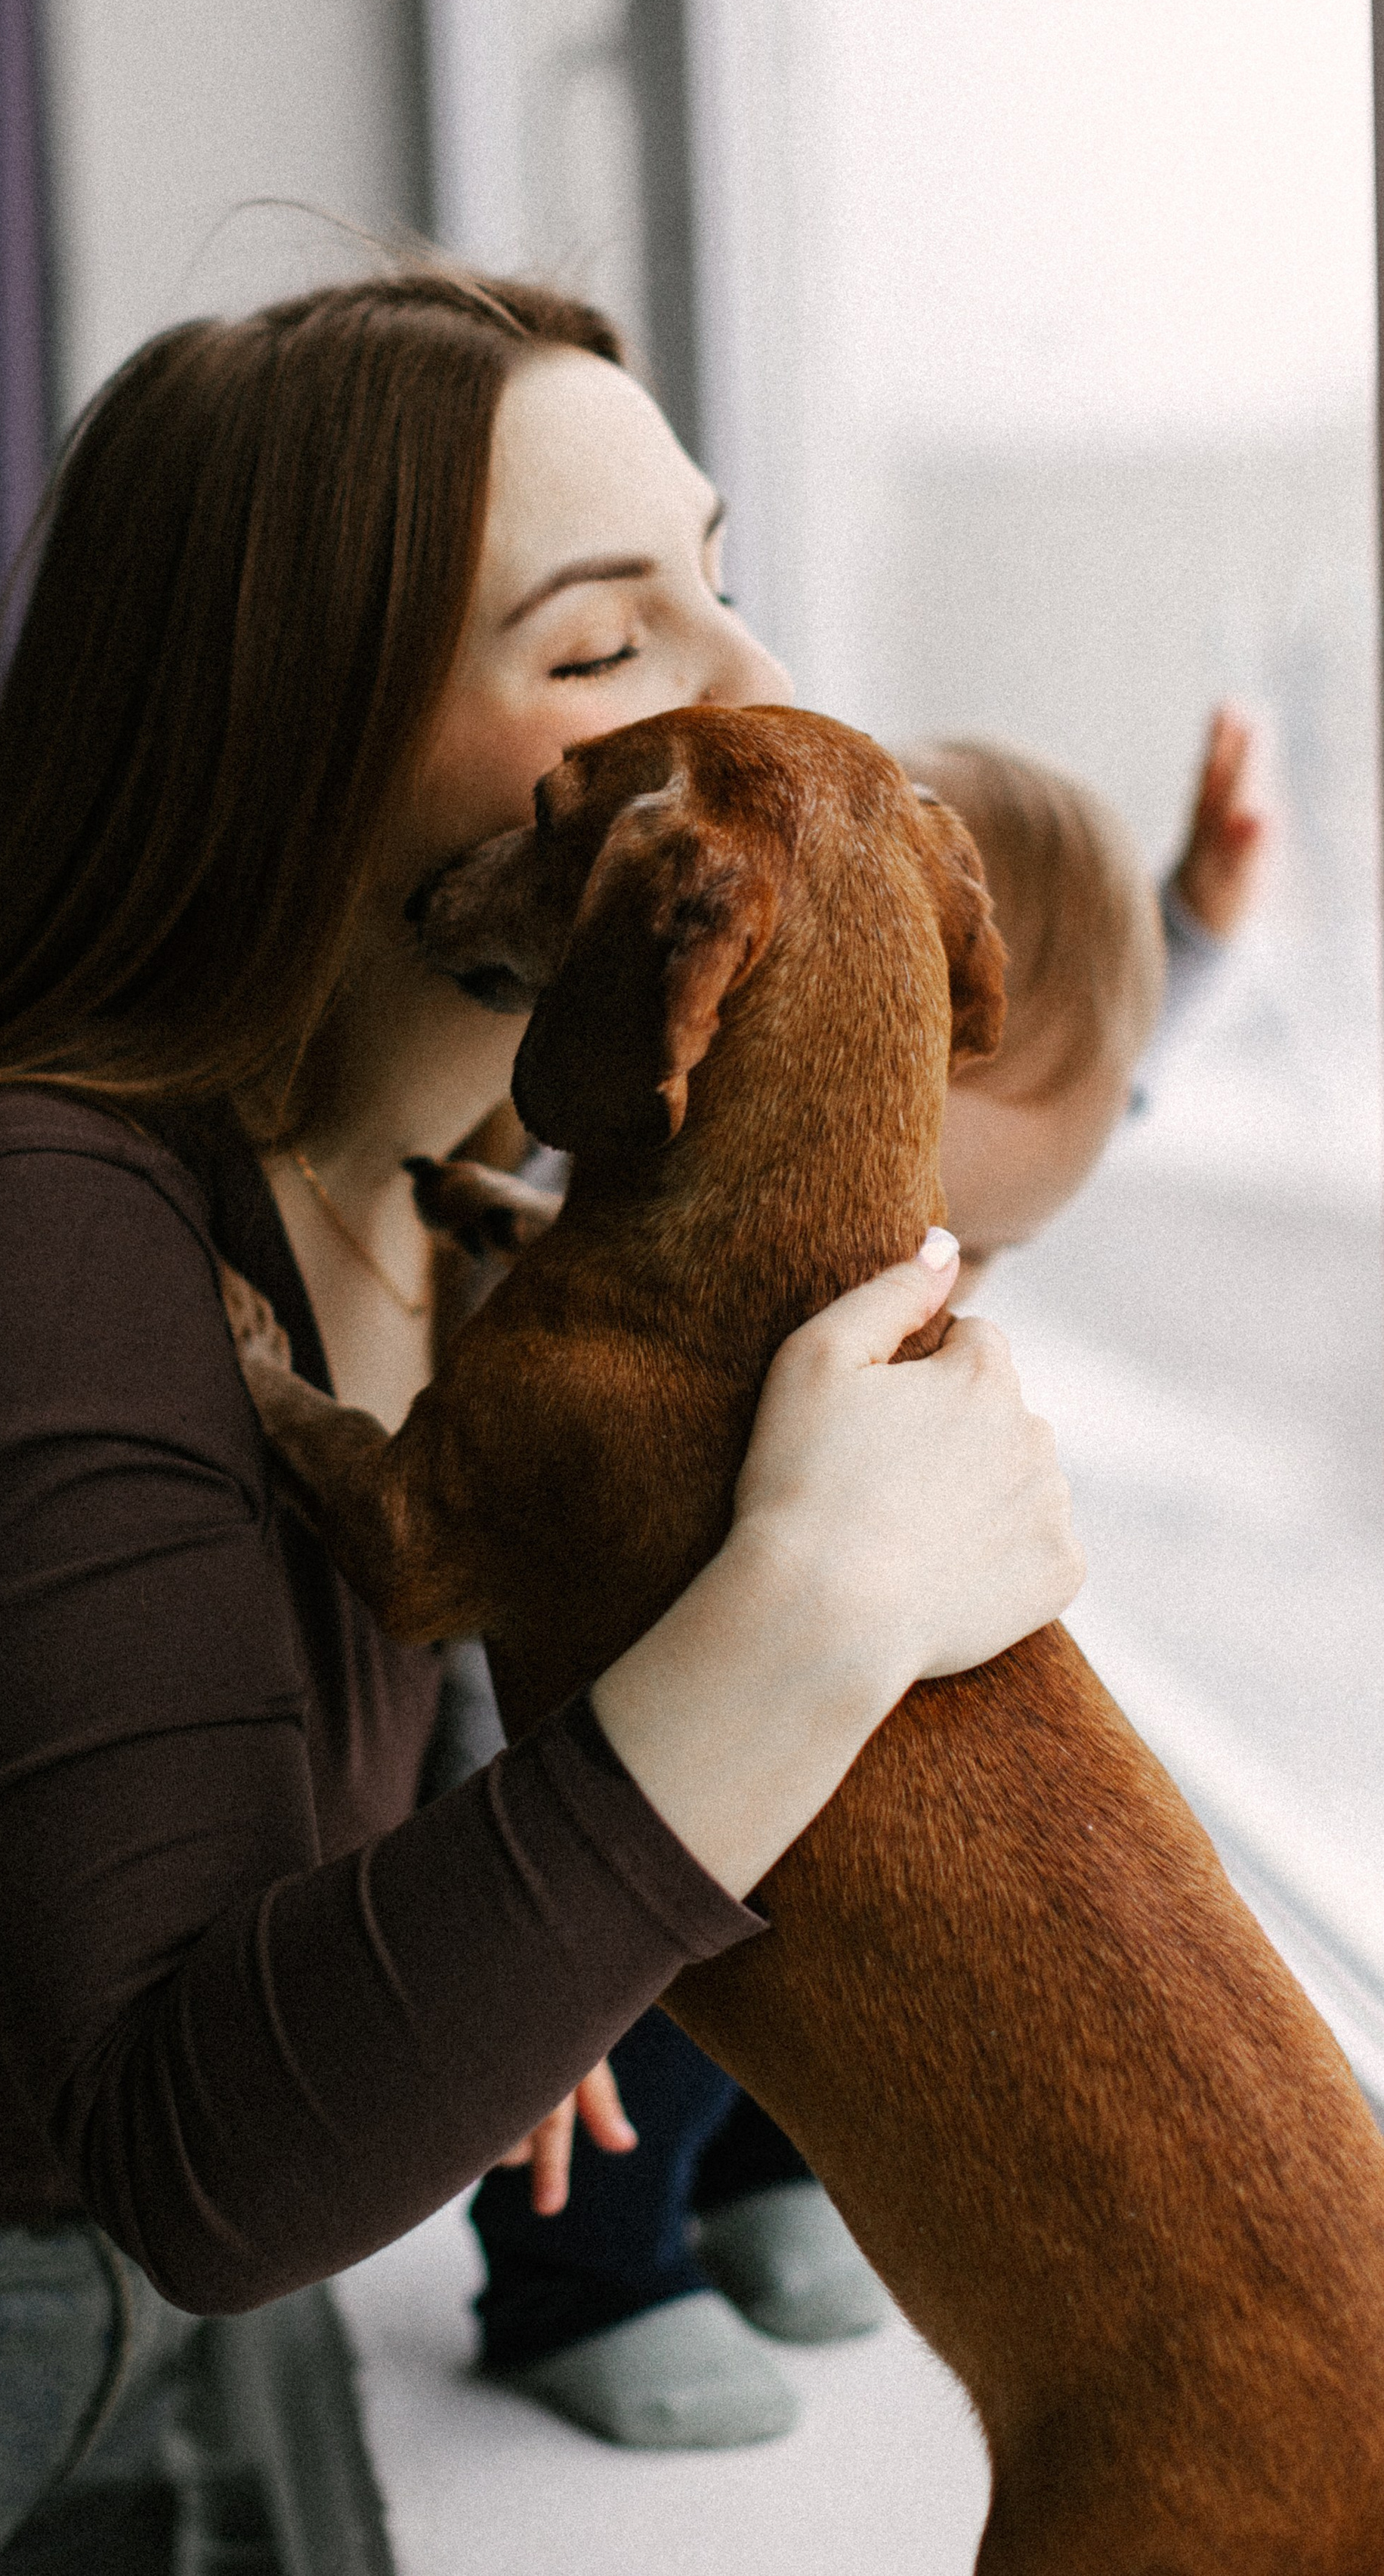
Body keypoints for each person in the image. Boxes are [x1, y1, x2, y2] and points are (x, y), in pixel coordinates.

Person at [0, 270, 1080, 2571]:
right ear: (285, 748)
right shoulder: (26, 1222)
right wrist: (816, 1615)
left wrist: (503, 1963)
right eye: (606, 649)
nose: (757, 694)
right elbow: (208, 2161)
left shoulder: (449, 1213)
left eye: (727, 588)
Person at [462, 717, 1267, 2451]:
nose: (935, 1287)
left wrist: (1185, 928)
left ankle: (761, 2175)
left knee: (835, 1959)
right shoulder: (610, 1216)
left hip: (816, 1718)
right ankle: (581, 2280)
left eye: (988, 1254)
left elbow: (1090, 1092)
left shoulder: (969, 1131)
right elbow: (481, 1606)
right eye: (923, 1226)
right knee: (656, 1985)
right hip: (596, 1776)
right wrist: (508, 1950)